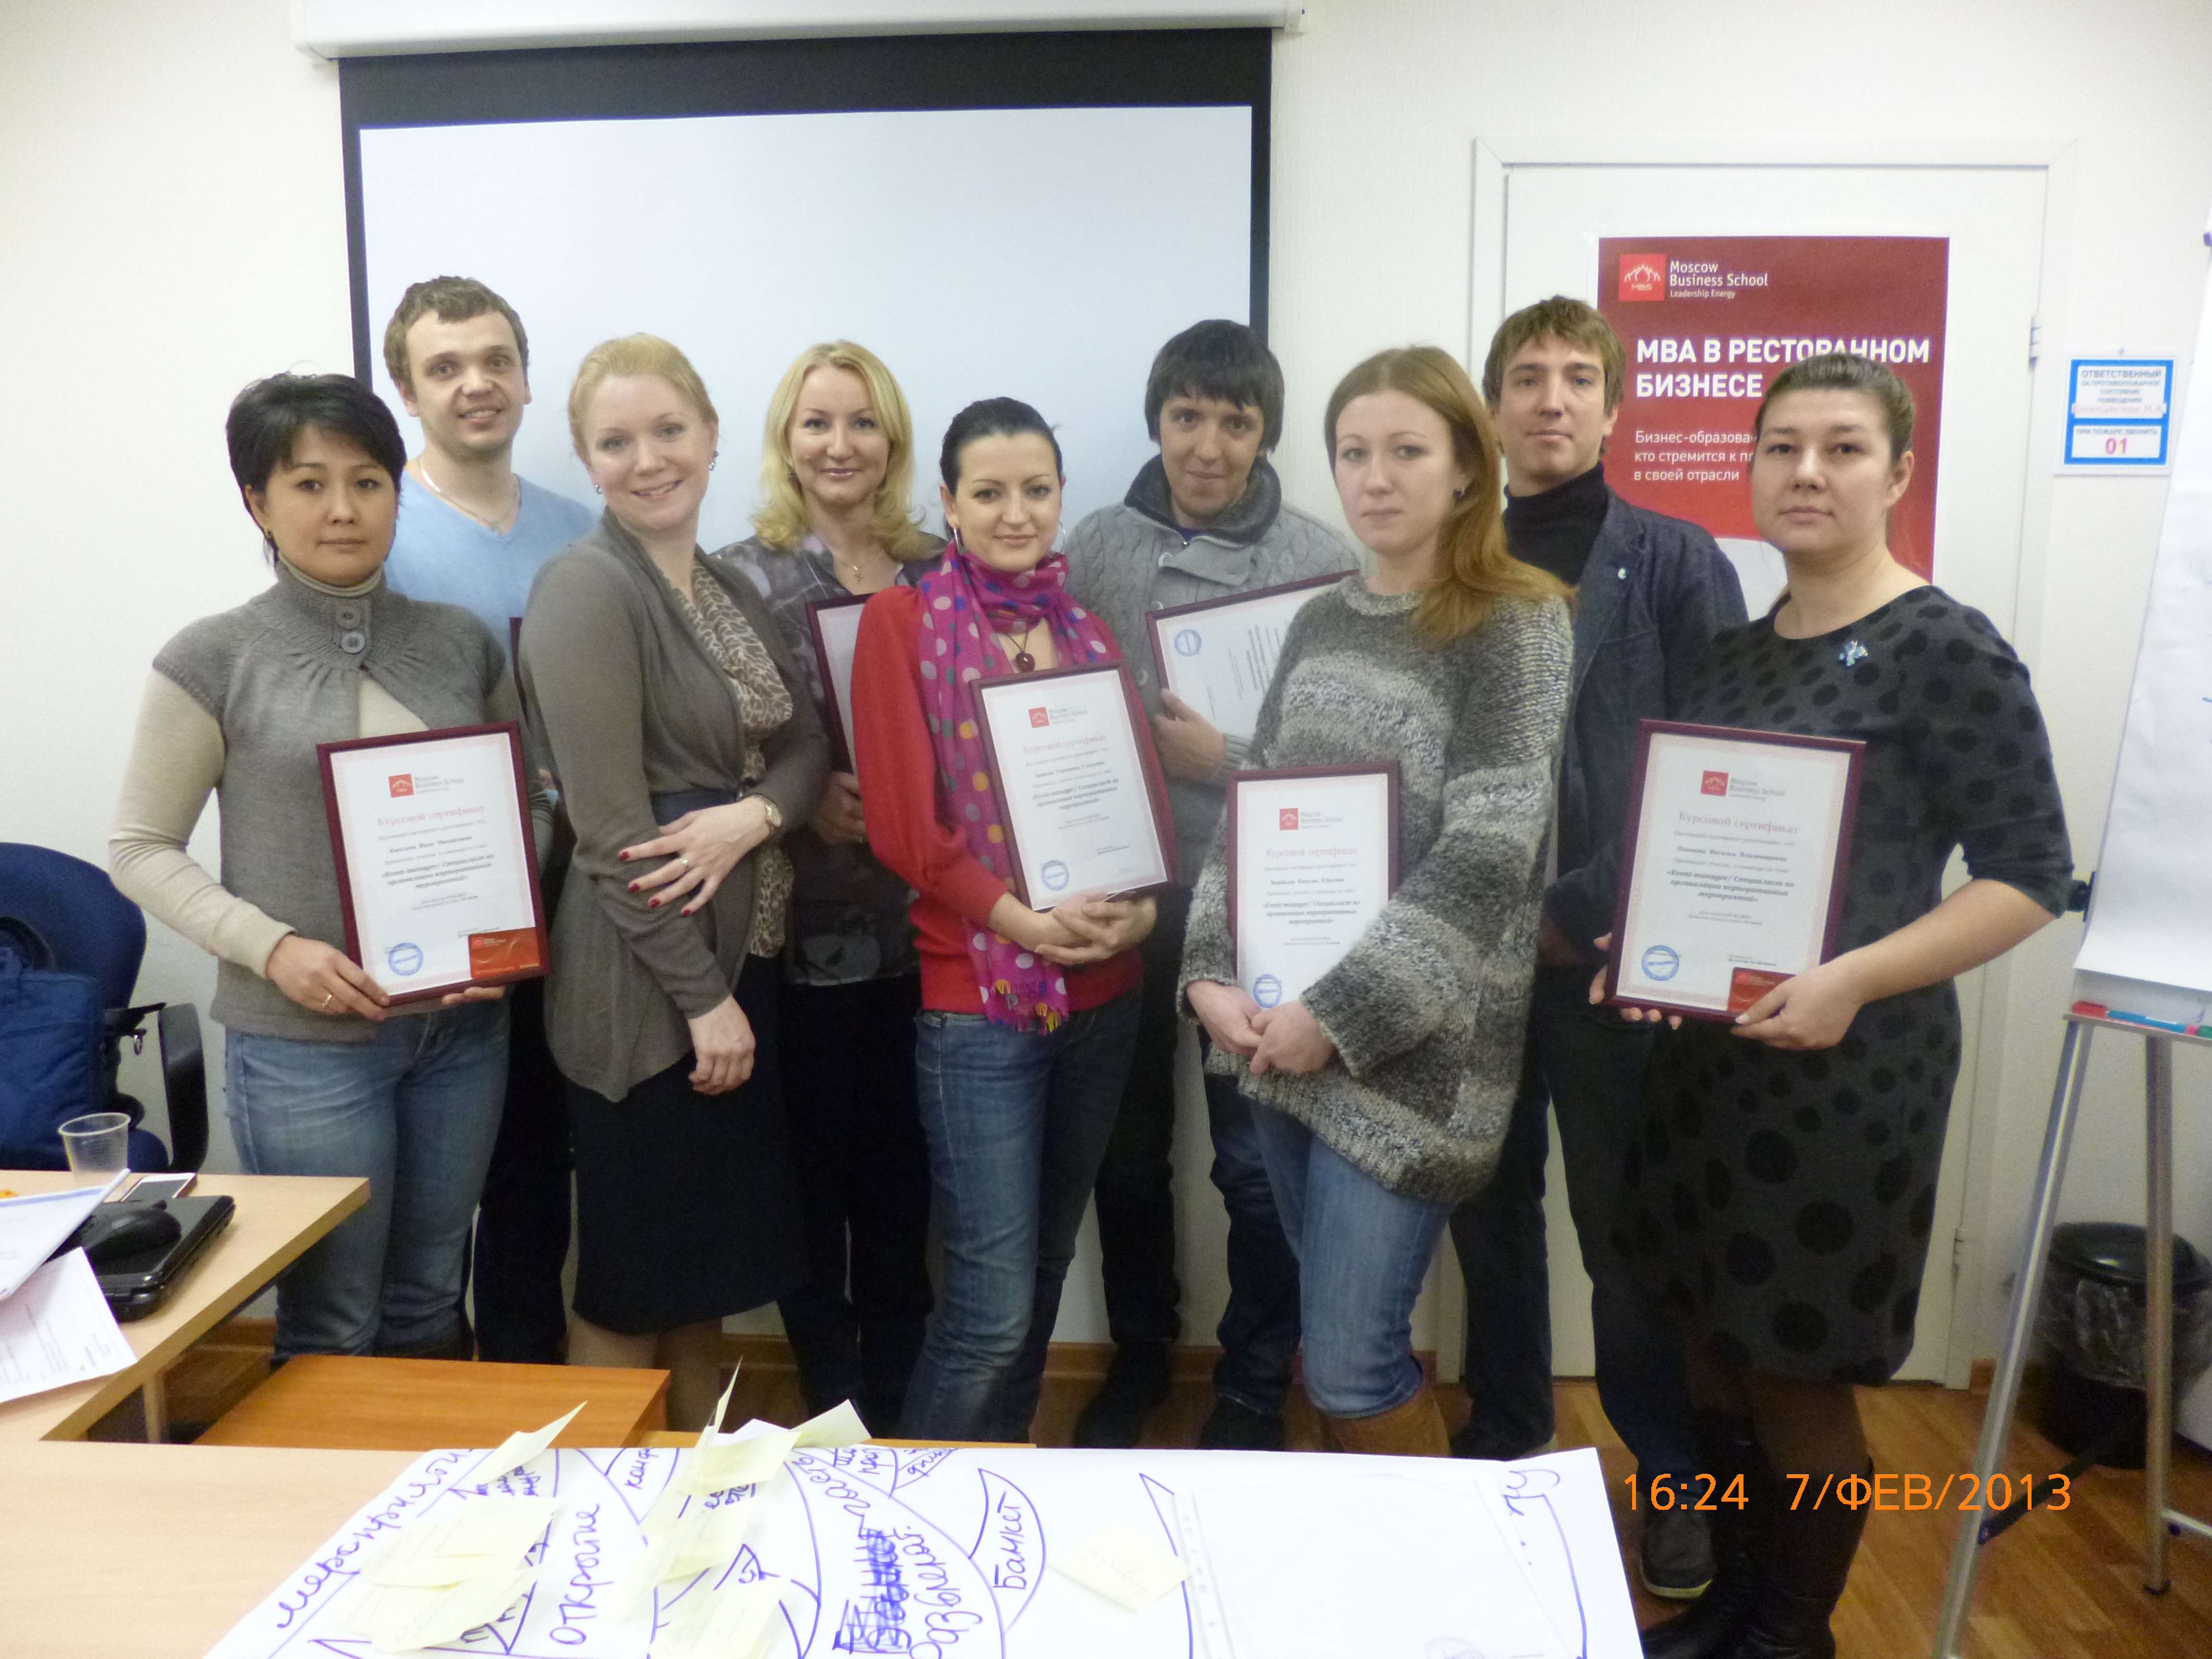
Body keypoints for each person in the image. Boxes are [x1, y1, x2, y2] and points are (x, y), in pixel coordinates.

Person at [1613, 353, 2070, 1659]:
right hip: (1710, 1073)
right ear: (1751, 469)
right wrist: (1647, 958)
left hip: (1849, 1076)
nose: (1806, 472)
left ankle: (1790, 1636)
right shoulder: (1732, 656)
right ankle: (1735, 1606)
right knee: (1708, 1350)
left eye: (1843, 448)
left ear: (1898, 473)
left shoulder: (1947, 648)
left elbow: (2031, 878)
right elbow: (1692, 855)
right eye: (1782, 447)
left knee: (1795, 1370)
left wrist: (1854, 978)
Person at [1183, 347, 1573, 1455]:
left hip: (1415, 1059)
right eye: (1353, 452)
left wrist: (1339, 1014)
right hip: (1276, 1036)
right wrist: (1207, 972)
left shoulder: (1518, 620)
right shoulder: (1321, 620)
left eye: (1407, 450)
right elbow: (1254, 809)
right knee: (1330, 1340)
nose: (1376, 477)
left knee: (1354, 1365)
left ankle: (1447, 1562)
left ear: (1467, 468)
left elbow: (1492, 852)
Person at [109, 373, 537, 1362]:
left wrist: (505, 925)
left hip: (463, 1032)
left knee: (433, 1297)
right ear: (258, 502)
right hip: (305, 1044)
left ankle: (434, 1470)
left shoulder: (460, 642)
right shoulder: (214, 657)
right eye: (309, 484)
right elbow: (139, 847)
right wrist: (274, 949)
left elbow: (531, 802)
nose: (342, 508)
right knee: (334, 1319)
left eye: (367, 481)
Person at [1447, 297, 1747, 1597]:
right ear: (1493, 408)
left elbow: (1714, 765)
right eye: (1528, 377)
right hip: (1472, 965)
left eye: (1579, 377)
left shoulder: (1676, 561)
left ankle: (1672, 1476)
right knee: (1488, 1217)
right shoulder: (1453, 558)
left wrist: (1573, 912)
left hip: (1616, 963)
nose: (1553, 399)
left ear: (1616, 407)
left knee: (1629, 1249)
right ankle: (1510, 1438)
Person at [518, 335, 828, 1430]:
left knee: (699, 1284)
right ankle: (599, 1509)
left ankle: (700, 1499)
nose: (647, 460)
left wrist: (755, 816)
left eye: (668, 431)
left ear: (710, 435)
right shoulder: (584, 589)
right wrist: (702, 1002)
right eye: (616, 442)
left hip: (741, 966)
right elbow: (610, 838)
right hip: (648, 992)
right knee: (632, 1281)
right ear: (587, 462)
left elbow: (806, 746)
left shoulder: (728, 581)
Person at [1062, 319, 1351, 1451]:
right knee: (1126, 1154)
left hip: (1262, 900)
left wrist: (1221, 758)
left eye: (1236, 422)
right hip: (1123, 894)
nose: (1209, 446)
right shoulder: (1095, 544)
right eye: (1188, 417)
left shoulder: (1319, 559)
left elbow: (1346, 762)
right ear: (1157, 421)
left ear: (1265, 432)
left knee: (1253, 1166)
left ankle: (1252, 1386)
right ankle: (1138, 1357)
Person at [850, 398, 1160, 1443]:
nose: (1015, 513)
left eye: (1036, 490)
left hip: (1105, 993)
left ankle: (1005, 1485)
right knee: (987, 1312)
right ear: (948, 502)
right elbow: (905, 831)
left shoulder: (1086, 630)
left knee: (1044, 1271)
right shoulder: (902, 624)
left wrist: (1138, 918)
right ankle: (917, 1509)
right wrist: (1026, 927)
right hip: (977, 1004)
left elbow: (1138, 805)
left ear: (1062, 496)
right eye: (988, 493)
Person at [719, 341, 943, 1434]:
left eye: (862, 422)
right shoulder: (735, 577)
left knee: (905, 1185)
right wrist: (803, 803)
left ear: (892, 441)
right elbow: (706, 747)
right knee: (810, 1184)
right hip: (794, 935)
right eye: (817, 423)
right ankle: (833, 1404)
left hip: (928, 933)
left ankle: (899, 1406)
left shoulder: (938, 571)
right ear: (786, 440)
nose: (839, 444)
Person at [380, 275, 597, 1367]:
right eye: (446, 367)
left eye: (495, 360)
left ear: (524, 376)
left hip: (572, 891)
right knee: (427, 1195)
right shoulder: (376, 527)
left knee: (532, 1172)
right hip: (435, 897)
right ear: (408, 392)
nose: (476, 384)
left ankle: (524, 1388)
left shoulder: (581, 530)